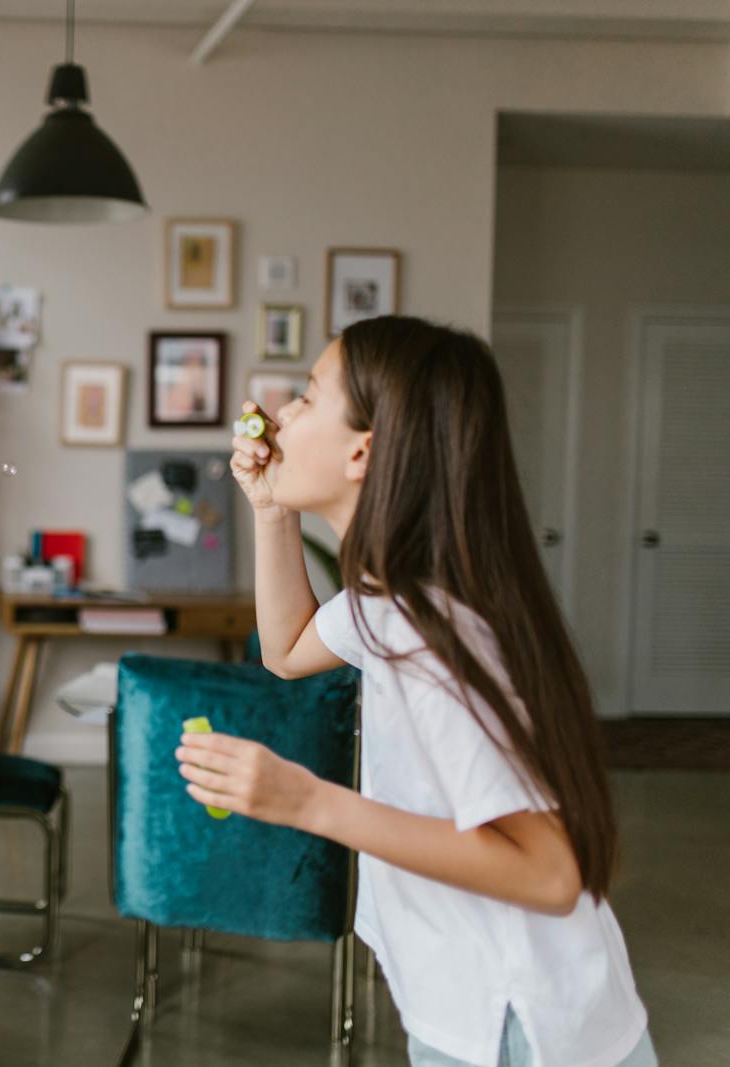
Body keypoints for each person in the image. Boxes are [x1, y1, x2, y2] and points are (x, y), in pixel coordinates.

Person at [177, 316, 655, 1067]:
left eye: (307, 395)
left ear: (362, 450)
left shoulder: (429, 632)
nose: (285, 411)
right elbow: (289, 649)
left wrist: (307, 801)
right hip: (482, 1005)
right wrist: (272, 509)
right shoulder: (392, 597)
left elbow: (551, 872)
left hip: (520, 1025)